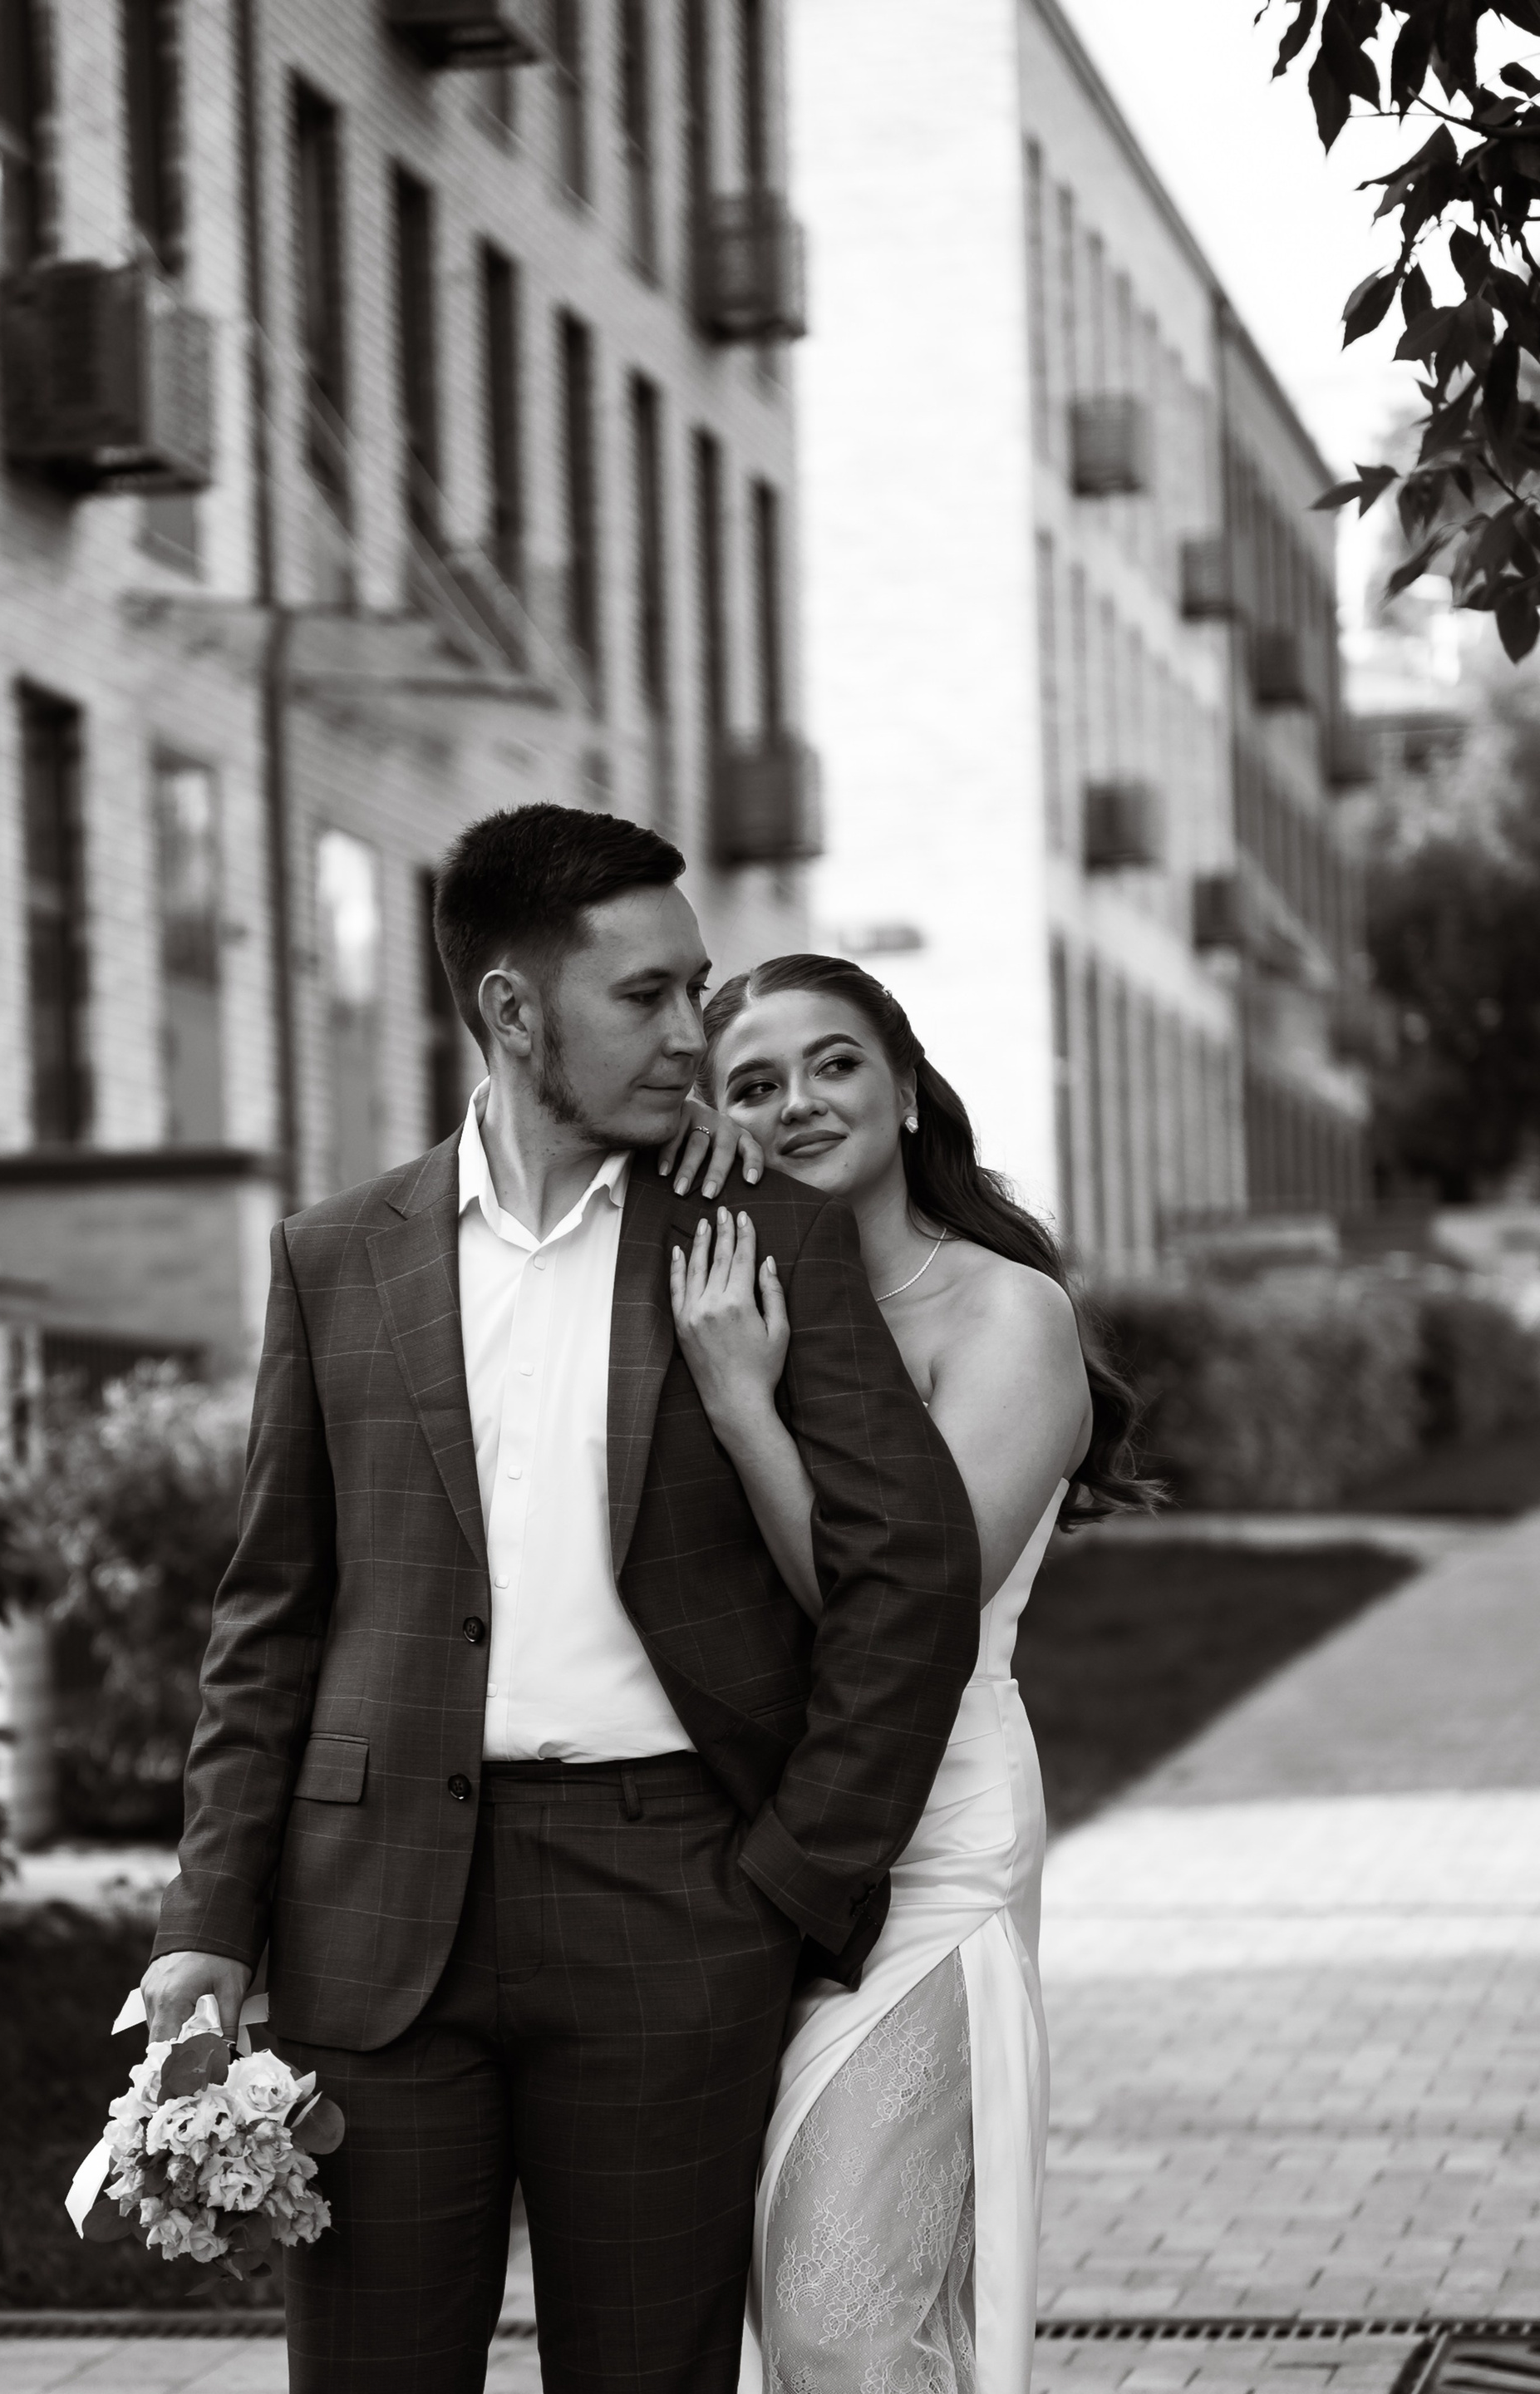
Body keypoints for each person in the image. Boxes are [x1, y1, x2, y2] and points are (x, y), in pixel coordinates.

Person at [140, 808, 985, 2394]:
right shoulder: (337, 1256)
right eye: (645, 997)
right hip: (373, 1923)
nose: (693, 1038)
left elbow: (914, 1580)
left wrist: (791, 1878)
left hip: (674, 1905)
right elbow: (272, 1622)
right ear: (513, 1011)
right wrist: (208, 1924)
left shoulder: (764, 1231)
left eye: (695, 991)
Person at [669, 953, 1149, 2394]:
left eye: (835, 1064)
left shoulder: (1007, 1314)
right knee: (787, 2306)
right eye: (754, 1084)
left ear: (907, 1089)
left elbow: (902, 1613)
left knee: (842, 2312)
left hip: (936, 1842)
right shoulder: (724, 1299)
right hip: (746, 1852)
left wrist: (744, 1410)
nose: (800, 1103)